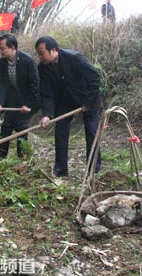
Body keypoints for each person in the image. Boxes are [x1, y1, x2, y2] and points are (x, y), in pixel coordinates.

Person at [35, 36, 101, 177]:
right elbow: (46, 92)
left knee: (92, 131)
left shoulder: (74, 58)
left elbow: (94, 77)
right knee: (60, 130)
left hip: (87, 96)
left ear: (53, 50)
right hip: (65, 100)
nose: (40, 57)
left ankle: (93, 167)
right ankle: (61, 168)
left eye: (42, 53)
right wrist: (47, 114)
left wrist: (88, 103)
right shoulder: (43, 67)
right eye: (38, 54)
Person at [0, 34, 40, 159]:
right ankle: (1, 155)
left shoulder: (27, 61)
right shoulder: (2, 63)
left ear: (12, 47)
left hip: (26, 101)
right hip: (11, 101)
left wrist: (29, 104)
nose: (0, 51)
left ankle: (22, 157)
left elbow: (34, 85)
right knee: (6, 127)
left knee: (22, 127)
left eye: (2, 48)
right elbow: (2, 84)